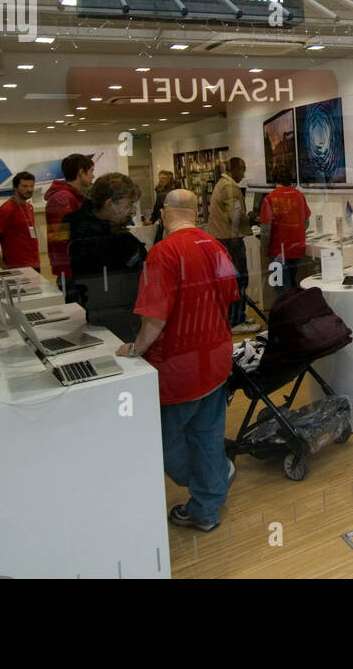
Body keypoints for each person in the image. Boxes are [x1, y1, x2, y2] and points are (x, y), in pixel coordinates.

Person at [120, 188, 240, 532]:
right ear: (195, 212)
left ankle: (211, 485)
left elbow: (154, 319)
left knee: (164, 441)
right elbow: (230, 296)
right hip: (216, 359)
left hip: (179, 367)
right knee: (207, 434)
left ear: (163, 213)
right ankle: (208, 504)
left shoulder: (163, 253)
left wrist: (134, 349)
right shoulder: (214, 245)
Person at [66, 172, 146, 340]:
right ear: (110, 203)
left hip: (99, 310)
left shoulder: (77, 223)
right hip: (117, 315)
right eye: (129, 204)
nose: (131, 211)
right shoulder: (110, 236)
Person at [208, 157, 255, 334]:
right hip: (231, 241)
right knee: (239, 281)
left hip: (223, 239)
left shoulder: (222, 183)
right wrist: (249, 218)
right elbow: (233, 216)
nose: (243, 174)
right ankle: (236, 321)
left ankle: (237, 317)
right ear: (235, 169)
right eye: (242, 169)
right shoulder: (230, 187)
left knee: (231, 281)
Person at [45, 153, 95, 290]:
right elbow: (61, 237)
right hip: (70, 268)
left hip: (76, 266)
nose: (93, 176)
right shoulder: (62, 199)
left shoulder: (72, 196)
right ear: (80, 172)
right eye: (91, 171)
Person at [259, 179, 310, 295]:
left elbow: (266, 230)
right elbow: (306, 222)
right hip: (296, 249)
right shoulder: (299, 195)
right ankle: (293, 310)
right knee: (290, 283)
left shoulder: (270, 198)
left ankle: (286, 311)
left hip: (278, 250)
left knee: (280, 287)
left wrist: (264, 248)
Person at [0, 171, 39, 271]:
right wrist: (3, 266)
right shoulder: (6, 210)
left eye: (31, 186)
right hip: (17, 267)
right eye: (24, 186)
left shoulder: (29, 207)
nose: (29, 189)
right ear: (15, 187)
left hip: (34, 263)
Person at [145, 170, 180, 243]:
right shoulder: (161, 190)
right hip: (168, 220)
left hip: (168, 220)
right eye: (160, 178)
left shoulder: (166, 192)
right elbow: (157, 207)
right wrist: (152, 220)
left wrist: (152, 220)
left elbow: (157, 207)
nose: (161, 180)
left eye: (163, 178)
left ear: (168, 179)